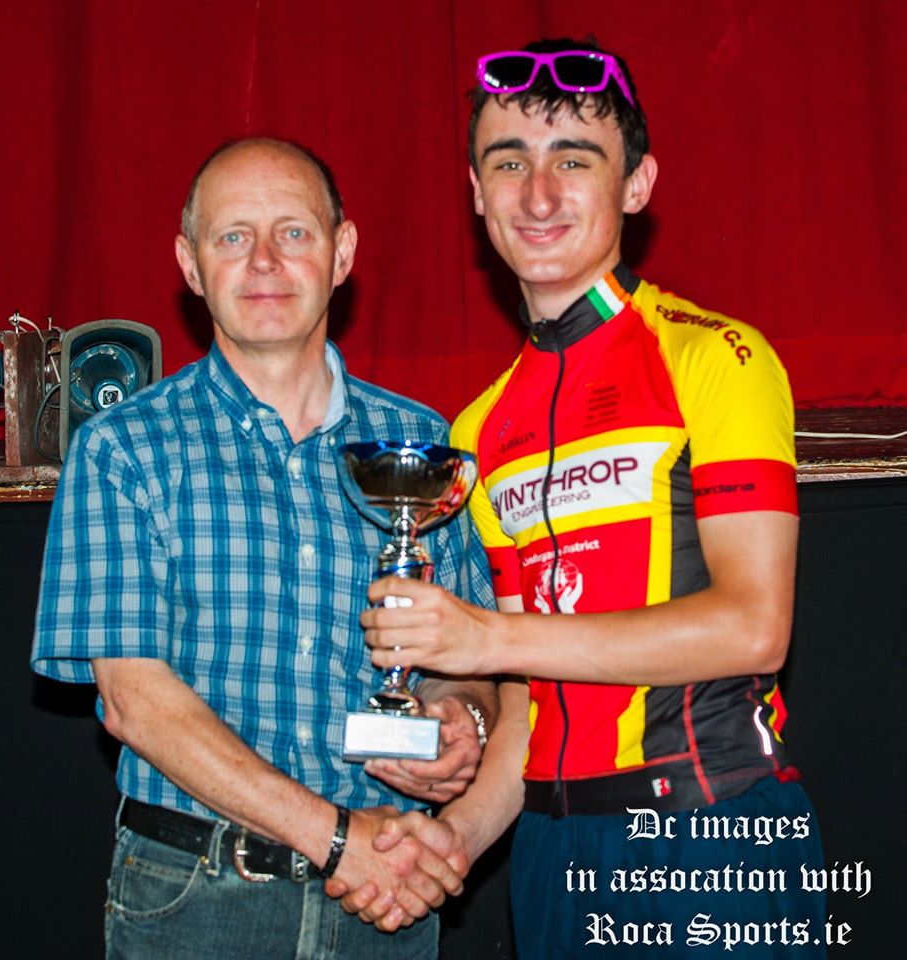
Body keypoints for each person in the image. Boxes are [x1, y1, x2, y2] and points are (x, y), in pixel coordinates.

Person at [342, 37, 827, 958]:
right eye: (508, 162)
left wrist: (485, 637)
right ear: (475, 193)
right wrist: (459, 839)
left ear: (636, 185)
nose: (538, 193)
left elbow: (754, 627)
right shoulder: (479, 430)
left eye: (575, 160)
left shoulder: (717, 357)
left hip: (712, 837)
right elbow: (532, 706)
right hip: (553, 853)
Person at [30, 137, 496, 959]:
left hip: (389, 902)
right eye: (233, 237)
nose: (266, 261)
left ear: (342, 252)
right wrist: (341, 839)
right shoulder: (121, 450)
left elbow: (472, 652)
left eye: (294, 232)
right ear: (190, 263)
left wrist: (463, 719)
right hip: (195, 899)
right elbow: (135, 701)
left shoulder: (423, 443)